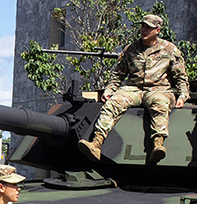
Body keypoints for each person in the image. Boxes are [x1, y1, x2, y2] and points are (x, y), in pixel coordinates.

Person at [78, 14, 189, 163]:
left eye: (148, 27)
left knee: (160, 103)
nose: (143, 30)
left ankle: (158, 145)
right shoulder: (131, 49)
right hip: (134, 89)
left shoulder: (169, 49)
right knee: (113, 104)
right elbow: (118, 74)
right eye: (143, 26)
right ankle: (96, 144)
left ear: (157, 30)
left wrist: (182, 96)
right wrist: (110, 90)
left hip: (158, 89)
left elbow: (180, 77)